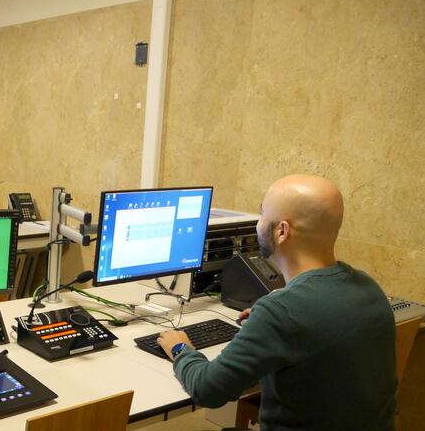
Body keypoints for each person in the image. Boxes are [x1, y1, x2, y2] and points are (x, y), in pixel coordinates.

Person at [156, 175, 396, 431]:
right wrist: (268, 323)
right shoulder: (369, 288)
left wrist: (181, 348)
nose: (258, 224)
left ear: (282, 231)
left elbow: (208, 390)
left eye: (262, 214)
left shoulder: (282, 311)